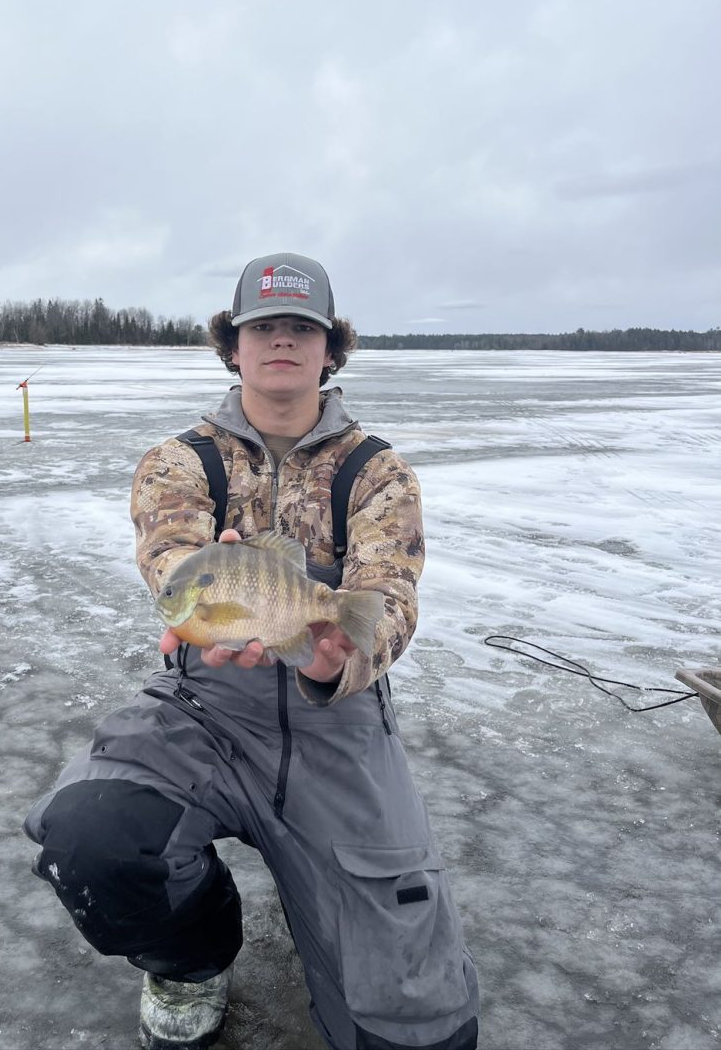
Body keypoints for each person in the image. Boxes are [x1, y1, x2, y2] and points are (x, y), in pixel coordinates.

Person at [24, 253, 480, 1050]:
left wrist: (336, 657)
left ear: (330, 349)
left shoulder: (378, 473)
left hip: (336, 720)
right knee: (90, 837)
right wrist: (212, 585)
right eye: (260, 327)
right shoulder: (179, 460)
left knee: (420, 1031)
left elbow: (390, 597)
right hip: (204, 706)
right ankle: (190, 958)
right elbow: (170, 554)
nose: (280, 341)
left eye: (301, 328)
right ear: (231, 347)